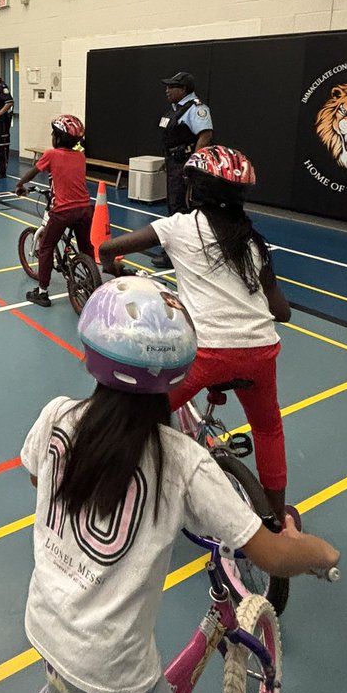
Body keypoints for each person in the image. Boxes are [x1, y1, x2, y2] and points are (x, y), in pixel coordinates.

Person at [20, 275, 339, 693]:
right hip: (114, 668)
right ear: (179, 373)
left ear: (90, 355)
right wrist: (319, 552)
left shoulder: (58, 415)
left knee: (74, 639)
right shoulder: (182, 462)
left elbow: (38, 478)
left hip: (44, 619)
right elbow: (271, 555)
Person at [98, 146, 292, 524]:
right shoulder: (253, 242)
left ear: (193, 190)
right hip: (259, 352)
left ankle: (116, 491)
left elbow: (109, 247)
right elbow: (280, 311)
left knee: (138, 414)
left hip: (206, 354)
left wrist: (112, 267)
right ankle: (276, 518)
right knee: (268, 429)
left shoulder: (179, 226)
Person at [15, 114, 94, 308]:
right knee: (85, 246)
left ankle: (42, 292)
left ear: (58, 138)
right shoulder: (80, 156)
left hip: (63, 211)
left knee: (46, 247)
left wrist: (20, 184)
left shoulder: (51, 154)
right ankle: (92, 280)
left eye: (53, 134)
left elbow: (34, 171)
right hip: (85, 209)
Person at [154, 71, 213, 269]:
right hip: (174, 162)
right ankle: (177, 250)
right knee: (174, 206)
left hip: (184, 164)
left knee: (180, 208)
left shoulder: (196, 109)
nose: (167, 90)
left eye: (172, 87)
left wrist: (193, 164)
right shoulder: (175, 110)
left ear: (184, 89)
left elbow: (205, 135)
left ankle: (176, 254)